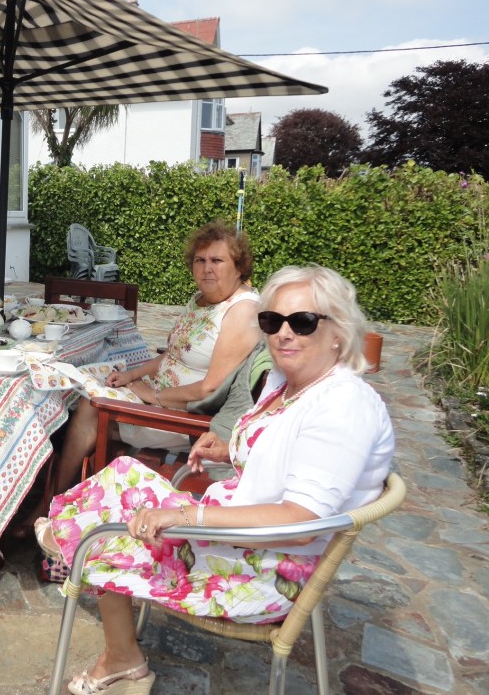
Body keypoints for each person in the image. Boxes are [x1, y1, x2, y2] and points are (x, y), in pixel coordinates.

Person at [40, 265, 395, 694]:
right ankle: (83, 566)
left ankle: (103, 618)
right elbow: (290, 453)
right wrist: (230, 449)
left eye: (302, 322)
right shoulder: (290, 382)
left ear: (339, 332)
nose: (283, 334)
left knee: (105, 534)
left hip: (262, 568)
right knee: (123, 476)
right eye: (272, 321)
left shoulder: (342, 406)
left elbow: (301, 522)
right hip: (239, 531)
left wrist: (187, 516)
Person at [50, 221, 262, 506]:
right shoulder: (202, 300)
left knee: (90, 408)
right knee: (85, 389)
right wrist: (131, 376)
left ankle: (54, 500)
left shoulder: (241, 311)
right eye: (200, 260)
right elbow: (174, 355)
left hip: (184, 420)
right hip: (160, 402)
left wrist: (153, 396)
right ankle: (73, 493)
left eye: (217, 260)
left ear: (239, 267)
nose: (207, 268)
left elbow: (210, 388)